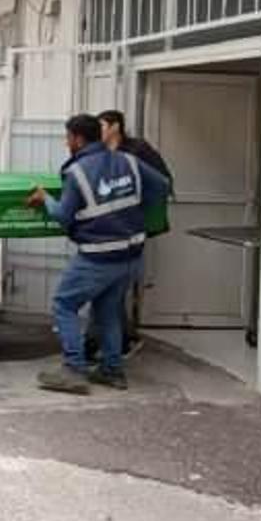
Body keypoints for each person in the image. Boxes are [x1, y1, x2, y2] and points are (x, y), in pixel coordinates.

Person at [27, 114, 170, 394]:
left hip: (98, 256)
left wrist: (46, 200)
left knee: (64, 304)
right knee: (108, 310)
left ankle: (74, 369)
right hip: (131, 254)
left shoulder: (78, 172)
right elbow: (162, 186)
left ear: (78, 139)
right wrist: (135, 211)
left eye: (68, 138)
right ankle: (112, 370)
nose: (66, 143)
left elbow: (63, 216)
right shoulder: (128, 161)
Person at [86, 110, 174, 360]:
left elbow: (164, 182)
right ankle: (122, 339)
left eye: (102, 126)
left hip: (130, 228)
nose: (99, 132)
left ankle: (97, 342)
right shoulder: (98, 153)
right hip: (106, 228)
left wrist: (138, 204)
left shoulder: (138, 150)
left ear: (116, 127)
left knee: (107, 285)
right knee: (111, 288)